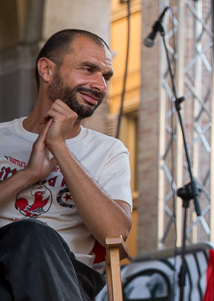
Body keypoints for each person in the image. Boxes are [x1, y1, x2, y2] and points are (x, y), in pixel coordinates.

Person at [0, 29, 132, 300]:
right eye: (89, 70)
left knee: (34, 234)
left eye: (105, 77)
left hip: (70, 279)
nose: (101, 86)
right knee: (28, 233)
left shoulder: (109, 151)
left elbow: (115, 233)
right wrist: (28, 175)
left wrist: (59, 147)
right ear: (47, 70)